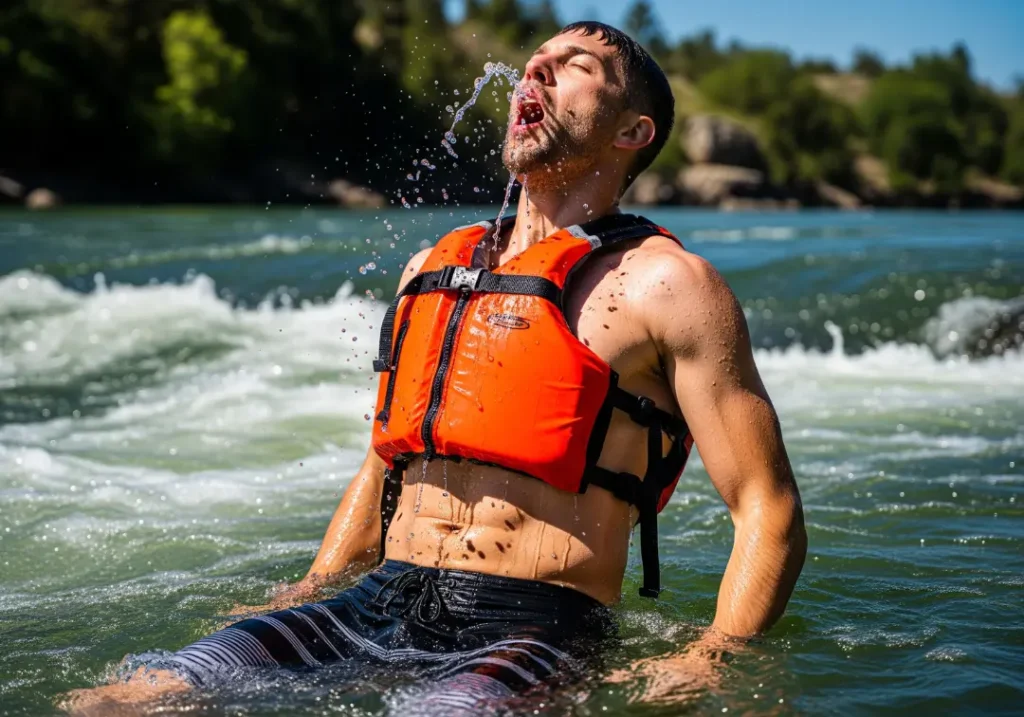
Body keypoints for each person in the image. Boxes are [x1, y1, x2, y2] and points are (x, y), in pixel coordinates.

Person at [63, 21, 806, 714]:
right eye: (534, 62)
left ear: (632, 131)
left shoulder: (668, 285)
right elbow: (384, 465)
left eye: (575, 66)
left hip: (535, 624)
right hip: (377, 598)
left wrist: (717, 653)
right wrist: (316, 584)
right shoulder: (433, 268)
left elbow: (767, 508)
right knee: (128, 695)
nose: (538, 68)